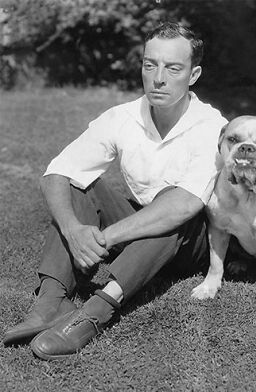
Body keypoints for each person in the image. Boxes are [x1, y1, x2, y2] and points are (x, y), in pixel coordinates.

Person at [2, 22, 228, 360]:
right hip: (139, 229)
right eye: (150, 65)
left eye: (173, 68)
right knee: (80, 184)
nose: (158, 77)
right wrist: (73, 229)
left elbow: (183, 205)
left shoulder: (212, 126)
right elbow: (57, 172)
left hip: (188, 242)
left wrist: (104, 238)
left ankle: (98, 309)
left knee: (171, 203)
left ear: (193, 74)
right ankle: (51, 300)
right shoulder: (122, 116)